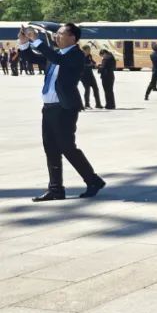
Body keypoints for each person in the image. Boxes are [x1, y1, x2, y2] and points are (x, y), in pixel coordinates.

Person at [17, 24, 106, 201]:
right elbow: (31, 57)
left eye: (60, 34)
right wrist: (24, 42)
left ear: (73, 37)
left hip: (64, 108)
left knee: (67, 147)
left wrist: (37, 40)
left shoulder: (76, 55)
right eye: (56, 34)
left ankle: (93, 180)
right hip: (49, 108)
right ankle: (56, 189)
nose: (56, 36)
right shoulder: (55, 54)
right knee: (50, 148)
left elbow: (58, 59)